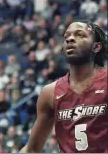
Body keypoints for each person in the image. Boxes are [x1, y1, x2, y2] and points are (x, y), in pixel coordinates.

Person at [21, 21, 107, 153]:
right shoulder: (50, 92)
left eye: (80, 35)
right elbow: (31, 149)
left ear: (96, 47)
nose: (70, 39)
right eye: (67, 36)